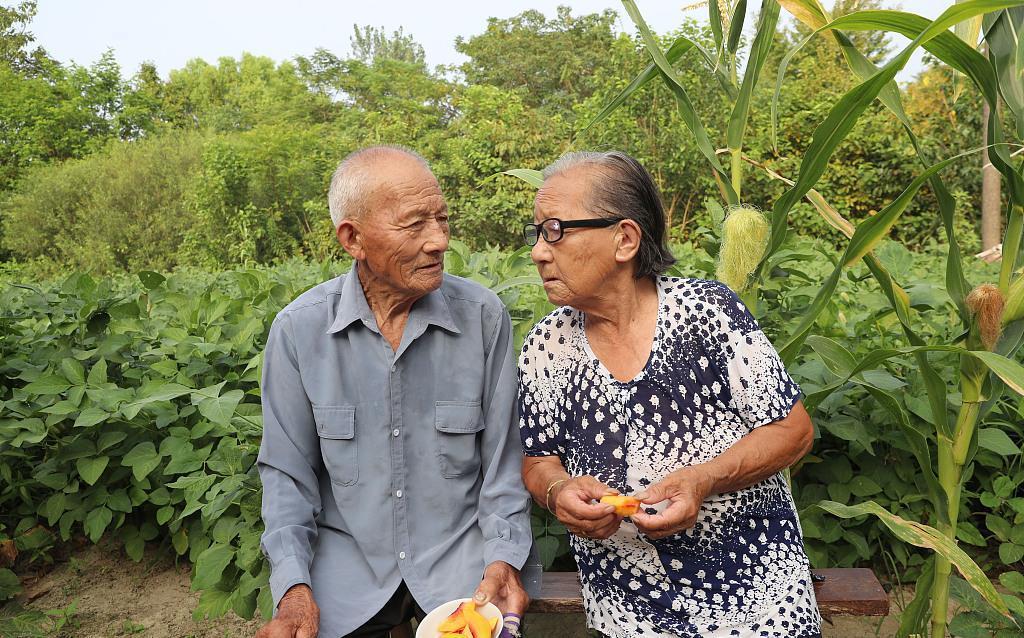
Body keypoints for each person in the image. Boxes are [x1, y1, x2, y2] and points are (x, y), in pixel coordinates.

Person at [516, 150, 822, 638]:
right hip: (626, 611)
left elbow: (794, 430)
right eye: (536, 233)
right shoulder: (545, 346)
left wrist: (703, 479)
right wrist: (557, 493)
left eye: (555, 230)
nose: (538, 251)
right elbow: (538, 461)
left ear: (625, 239)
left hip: (757, 600)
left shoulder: (708, 314)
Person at [256, 145, 531, 638]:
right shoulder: (299, 330)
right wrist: (293, 587)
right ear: (353, 238)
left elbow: (503, 467)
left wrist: (504, 559)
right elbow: (286, 478)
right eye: (414, 224)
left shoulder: (483, 318)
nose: (439, 241)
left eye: (442, 219)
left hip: (462, 567)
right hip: (347, 570)